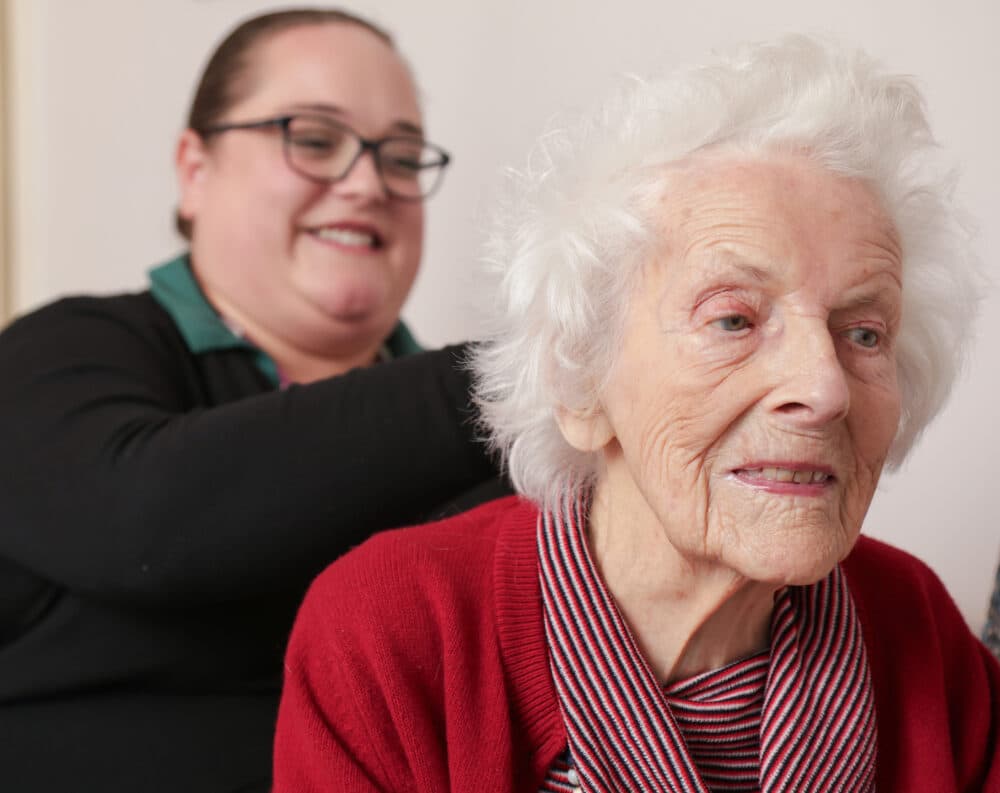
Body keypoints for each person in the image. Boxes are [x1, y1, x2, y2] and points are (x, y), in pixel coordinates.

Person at [274, 35, 1000, 792]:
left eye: (863, 333)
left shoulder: (915, 625)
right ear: (579, 383)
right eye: (734, 320)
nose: (825, 387)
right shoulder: (393, 634)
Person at [0, 8, 502, 793]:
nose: (368, 182)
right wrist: (516, 375)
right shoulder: (69, 351)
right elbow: (145, 520)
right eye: (313, 138)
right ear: (194, 170)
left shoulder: (501, 450)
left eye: (401, 157)